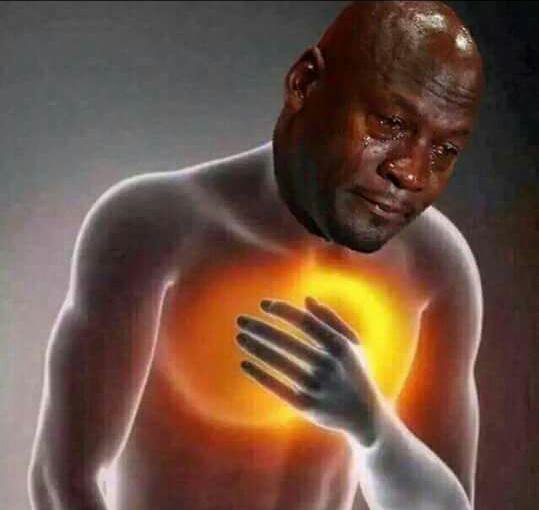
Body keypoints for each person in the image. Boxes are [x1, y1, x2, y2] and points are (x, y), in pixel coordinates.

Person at [28, 2, 485, 509]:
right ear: (304, 83)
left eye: (444, 151)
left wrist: (374, 429)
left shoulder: (435, 265)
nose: (412, 173)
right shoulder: (157, 227)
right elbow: (61, 481)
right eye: (390, 123)